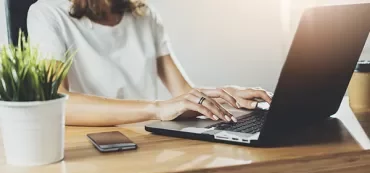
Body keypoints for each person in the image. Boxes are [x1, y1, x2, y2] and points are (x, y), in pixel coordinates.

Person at [27, 0, 273, 127]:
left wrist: (227, 95)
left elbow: (182, 95)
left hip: (144, 138)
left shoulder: (145, 16)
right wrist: (155, 109)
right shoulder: (47, 14)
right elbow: (55, 102)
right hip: (93, 145)